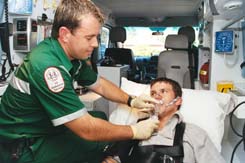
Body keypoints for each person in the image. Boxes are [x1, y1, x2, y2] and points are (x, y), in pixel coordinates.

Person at [0, 1, 160, 163]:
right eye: (89, 37)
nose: (96, 44)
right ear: (65, 34)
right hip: (23, 146)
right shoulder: (47, 67)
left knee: (100, 116)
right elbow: (87, 129)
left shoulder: (70, 56)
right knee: (100, 144)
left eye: (97, 37)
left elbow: (100, 85)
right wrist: (134, 130)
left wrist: (131, 100)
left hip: (44, 127)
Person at [104, 77, 226, 163]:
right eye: (153, 93)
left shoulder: (194, 133)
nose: (157, 96)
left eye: (163, 91)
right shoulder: (135, 129)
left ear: (178, 101)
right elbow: (114, 158)